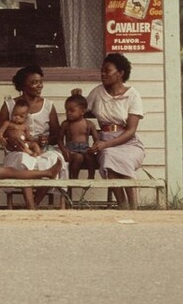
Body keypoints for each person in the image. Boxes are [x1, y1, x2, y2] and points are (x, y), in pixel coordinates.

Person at [0, 65, 66, 206]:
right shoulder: (9, 105)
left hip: (41, 149)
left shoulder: (48, 105)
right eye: (34, 82)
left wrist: (46, 140)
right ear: (23, 85)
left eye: (40, 82)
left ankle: (34, 204)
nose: (39, 86)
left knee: (54, 159)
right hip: (17, 150)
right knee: (23, 160)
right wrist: (10, 140)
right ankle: (30, 205)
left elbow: (56, 135)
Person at [84, 52, 145, 209]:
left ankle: (134, 207)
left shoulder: (132, 95)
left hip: (129, 143)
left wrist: (105, 144)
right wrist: (77, 98)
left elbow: (131, 131)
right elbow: (80, 111)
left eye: (107, 70)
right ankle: (123, 206)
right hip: (105, 141)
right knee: (109, 159)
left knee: (123, 160)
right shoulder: (97, 93)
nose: (103, 74)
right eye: (102, 70)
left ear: (121, 73)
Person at [60, 93, 100, 179]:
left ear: (82, 111)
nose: (68, 113)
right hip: (71, 150)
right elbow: (59, 140)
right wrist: (64, 150)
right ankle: (74, 178)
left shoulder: (89, 124)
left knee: (91, 157)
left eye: (72, 110)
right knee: (78, 158)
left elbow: (96, 139)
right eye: (66, 110)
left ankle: (91, 177)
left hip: (85, 148)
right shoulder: (65, 124)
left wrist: (94, 147)